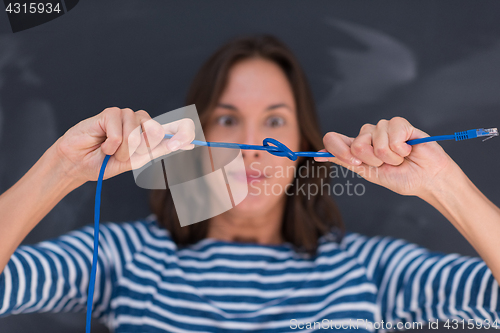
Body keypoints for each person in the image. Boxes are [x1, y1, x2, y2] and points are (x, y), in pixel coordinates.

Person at [1, 35, 499, 332]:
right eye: (228, 120)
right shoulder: (120, 255)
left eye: (276, 122)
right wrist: (61, 168)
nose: (253, 144)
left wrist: (442, 184)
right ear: (191, 140)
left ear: (305, 148)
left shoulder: (373, 267)